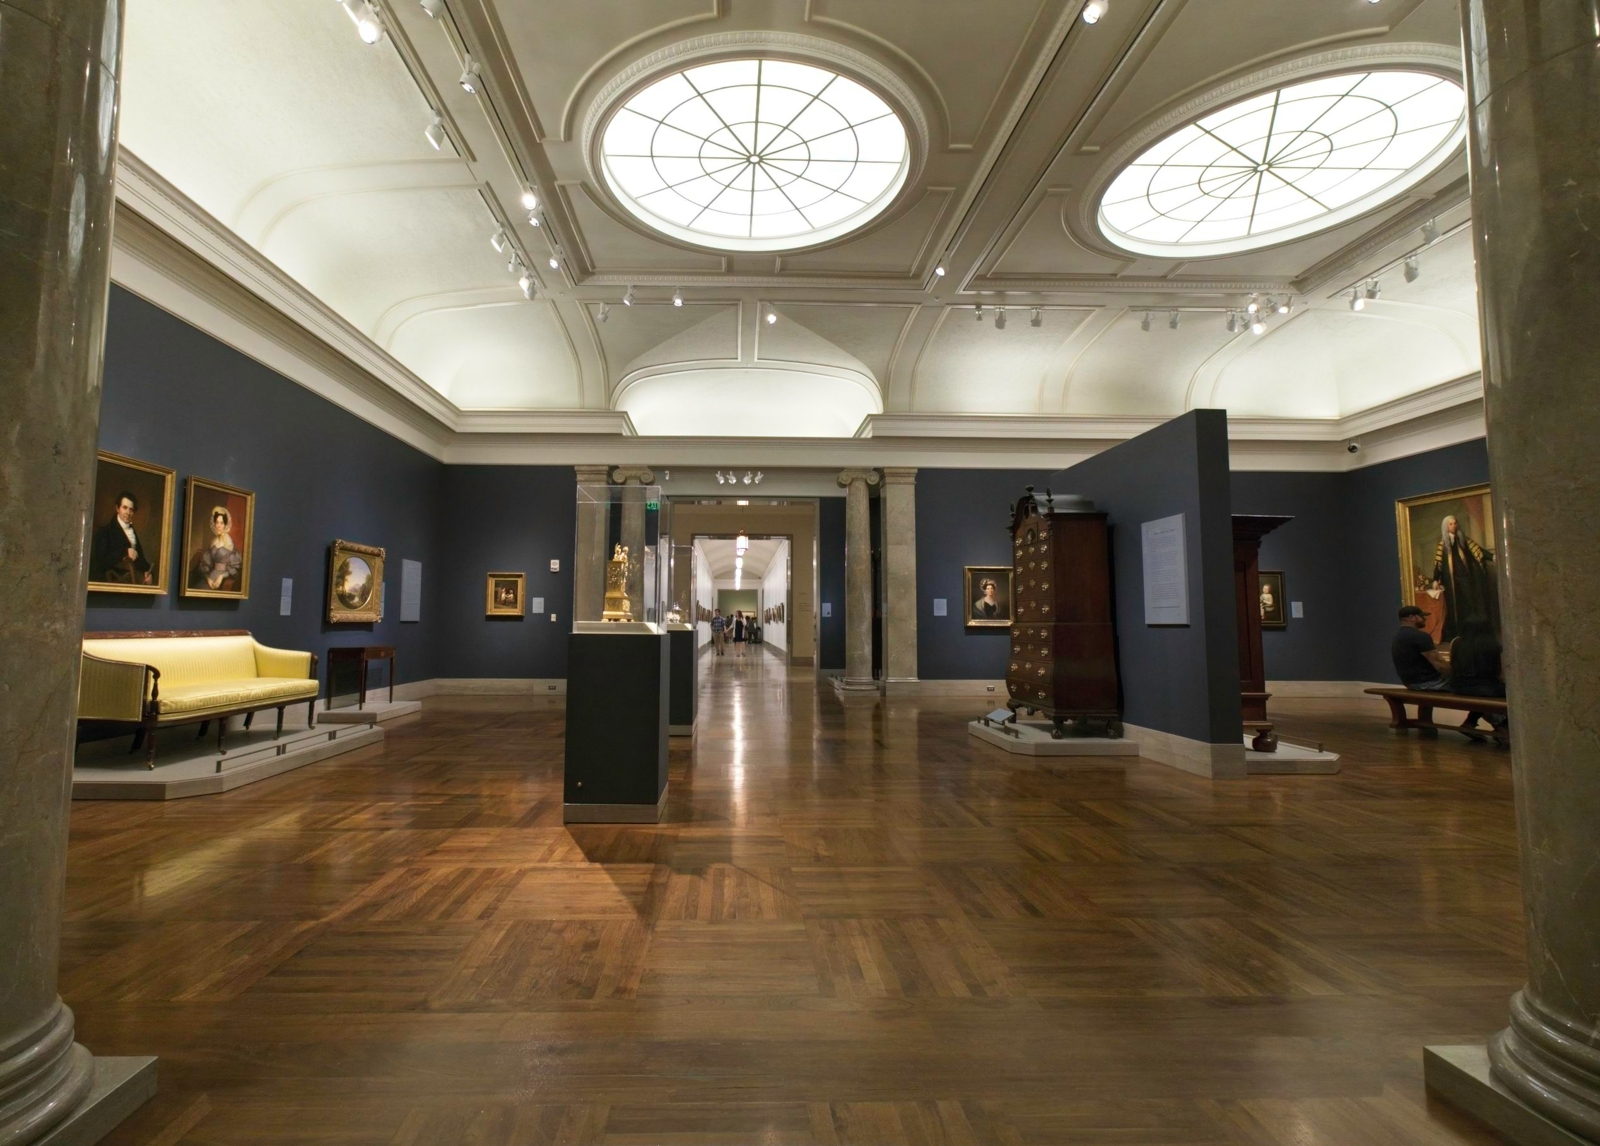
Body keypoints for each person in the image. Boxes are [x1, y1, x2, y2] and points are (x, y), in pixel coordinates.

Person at [1430, 514, 1495, 642]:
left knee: (1470, 604)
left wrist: (1492, 556)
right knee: (1455, 607)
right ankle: (1457, 633)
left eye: (1455, 523)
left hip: (1466, 578)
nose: (1453, 526)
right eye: (1450, 524)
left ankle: (1473, 632)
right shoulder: (1442, 545)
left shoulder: (1463, 540)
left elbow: (1478, 550)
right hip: (1451, 582)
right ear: (1446, 527)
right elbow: (1438, 564)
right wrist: (1435, 579)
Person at [1450, 617, 1508, 733]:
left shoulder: (1456, 643)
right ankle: (1503, 726)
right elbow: (1501, 671)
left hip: (1459, 686)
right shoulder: (1492, 645)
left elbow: (1452, 663)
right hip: (1486, 687)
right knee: (1514, 696)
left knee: (1482, 697)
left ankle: (1470, 723)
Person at [90, 491, 153, 584]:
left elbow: (141, 559)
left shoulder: (132, 532)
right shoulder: (105, 532)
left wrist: (148, 573)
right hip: (113, 584)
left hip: (133, 583)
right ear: (117, 508)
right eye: (125, 508)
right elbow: (101, 562)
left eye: (131, 509)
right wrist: (125, 552)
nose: (128, 513)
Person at [1391, 605, 1450, 690]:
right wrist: (1455, 675)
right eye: (1422, 616)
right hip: (1429, 683)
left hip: (1410, 683)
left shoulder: (1397, 637)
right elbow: (1439, 663)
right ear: (1412, 617)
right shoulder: (1420, 636)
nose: (1425, 619)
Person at [189, 505, 242, 592]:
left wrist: (221, 576)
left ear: (225, 525)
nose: (218, 526)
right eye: (217, 522)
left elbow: (235, 568)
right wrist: (208, 578)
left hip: (223, 578)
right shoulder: (214, 541)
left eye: (221, 523)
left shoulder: (229, 542)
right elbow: (206, 564)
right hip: (211, 577)